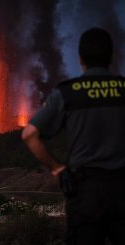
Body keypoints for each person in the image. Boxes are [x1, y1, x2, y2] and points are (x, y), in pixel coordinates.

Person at [22, 27, 125, 244]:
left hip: (85, 193)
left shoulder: (69, 93)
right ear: (111, 57)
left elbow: (29, 134)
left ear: (80, 59)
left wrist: (57, 168)